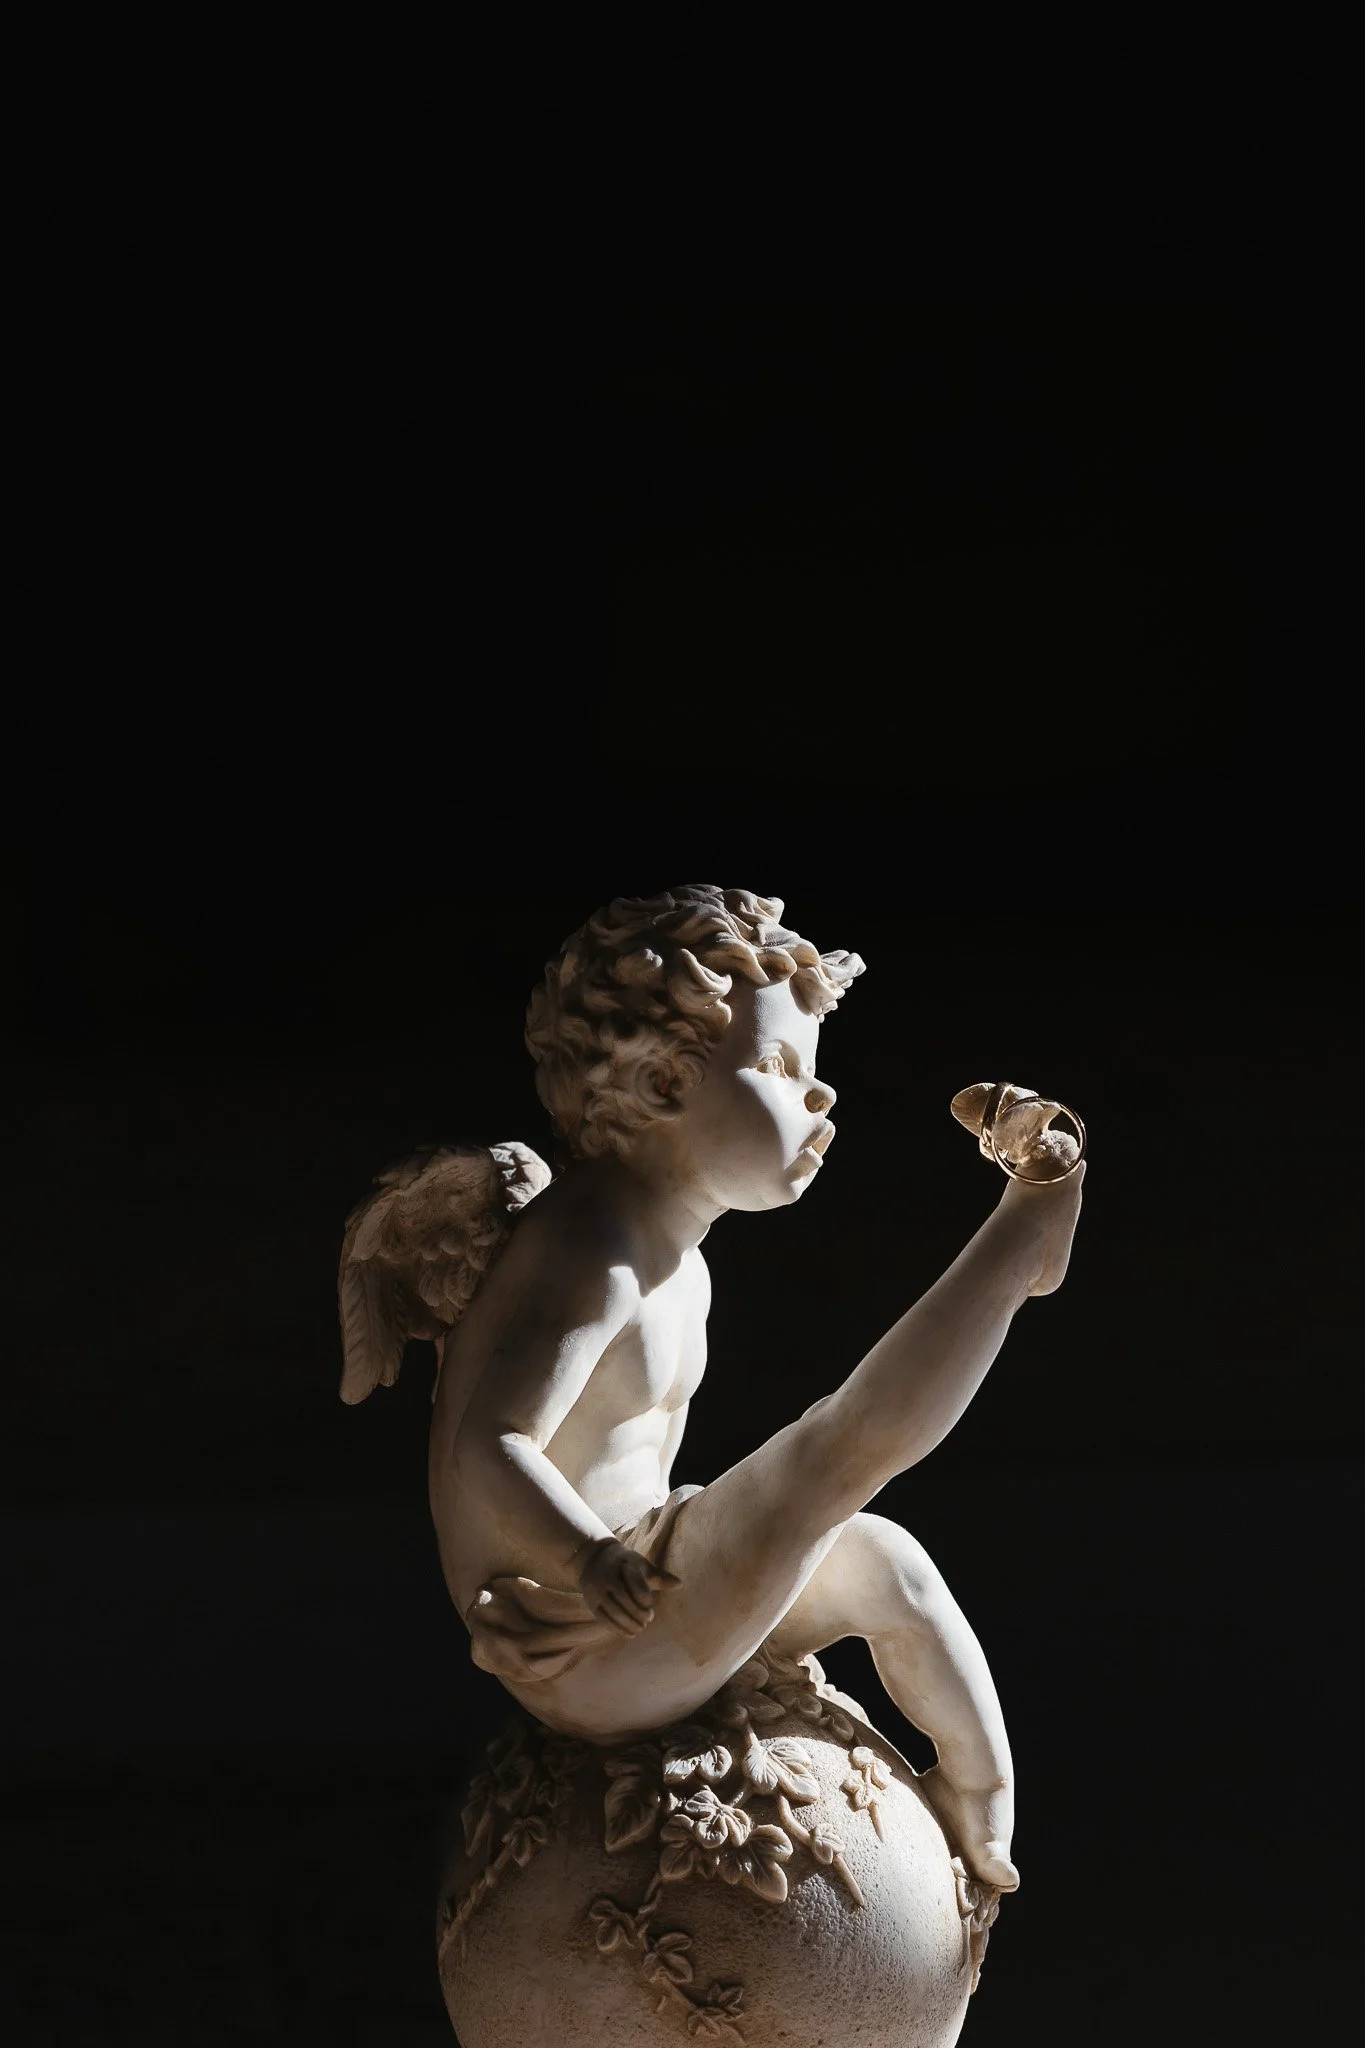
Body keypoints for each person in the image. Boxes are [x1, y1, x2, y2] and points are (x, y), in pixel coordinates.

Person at [339, 886, 1084, 1891]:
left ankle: (978, 1806)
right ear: (655, 1078)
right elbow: (489, 1443)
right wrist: (589, 1561)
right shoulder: (590, 1250)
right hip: (593, 1635)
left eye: (815, 1074)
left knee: (889, 1567)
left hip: (643, 1575)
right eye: (779, 1067)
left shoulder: (671, 1255)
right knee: (832, 1452)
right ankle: (1022, 1240)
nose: (817, 1099)